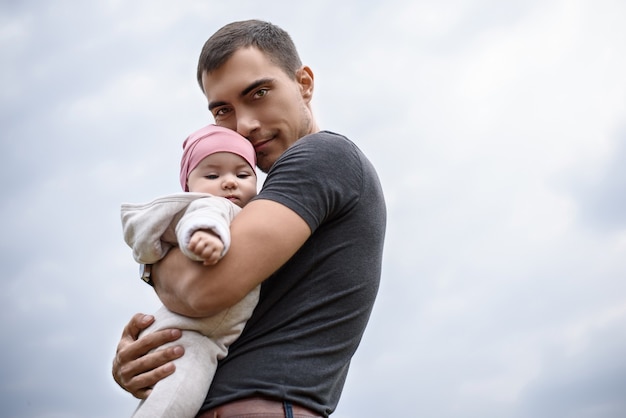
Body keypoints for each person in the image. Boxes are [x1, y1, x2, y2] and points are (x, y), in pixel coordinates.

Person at [112, 19, 386, 418]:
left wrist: (152, 261)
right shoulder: (257, 198)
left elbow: (202, 292)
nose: (244, 125)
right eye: (223, 110)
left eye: (258, 93)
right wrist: (145, 359)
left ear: (304, 83)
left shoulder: (322, 157)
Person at [120, 124, 260, 418]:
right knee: (172, 404)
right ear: (189, 187)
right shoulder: (211, 206)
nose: (229, 182)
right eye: (212, 175)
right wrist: (207, 236)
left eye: (243, 174)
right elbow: (204, 217)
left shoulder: (254, 215)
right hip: (187, 336)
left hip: (207, 338)